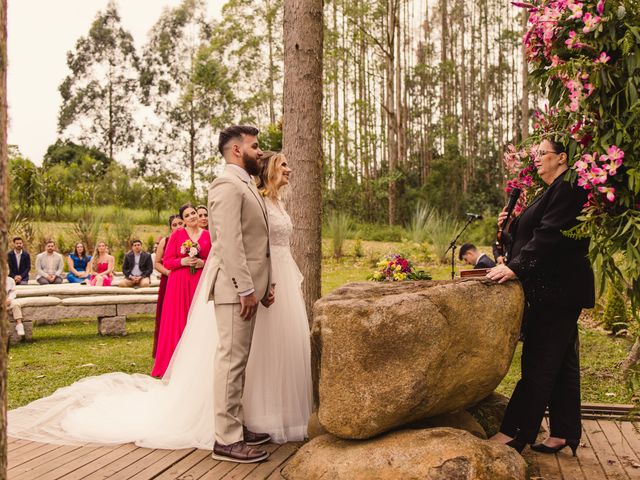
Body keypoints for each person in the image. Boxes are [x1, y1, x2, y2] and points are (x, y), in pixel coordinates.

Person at [487, 138, 595, 455]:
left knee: (539, 363)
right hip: (553, 289)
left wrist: (516, 268)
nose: (535, 159)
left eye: (541, 154)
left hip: (557, 291)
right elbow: (528, 238)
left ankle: (515, 432)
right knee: (562, 364)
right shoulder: (549, 191)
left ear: (562, 158)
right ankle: (564, 432)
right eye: (534, 154)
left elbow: (550, 237)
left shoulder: (569, 187)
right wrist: (507, 230)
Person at [208, 125, 275, 463]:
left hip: (249, 290)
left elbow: (257, 243)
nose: (260, 152)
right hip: (235, 291)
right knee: (231, 362)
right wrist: (246, 288)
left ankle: (236, 425)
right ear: (237, 151)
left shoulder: (246, 184)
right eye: (255, 146)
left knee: (239, 362)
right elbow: (228, 243)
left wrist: (267, 283)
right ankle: (227, 440)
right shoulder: (226, 185)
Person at [243, 151, 313, 444]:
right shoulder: (257, 199)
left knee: (284, 343)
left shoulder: (279, 202)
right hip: (267, 276)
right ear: (270, 169)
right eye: (284, 164)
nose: (290, 169)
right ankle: (255, 414)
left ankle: (282, 411)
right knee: (262, 345)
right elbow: (254, 243)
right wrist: (264, 281)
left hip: (285, 275)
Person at [151, 203, 211, 378]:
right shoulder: (177, 235)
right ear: (183, 220)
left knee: (198, 321)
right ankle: (173, 365)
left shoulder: (208, 235)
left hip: (199, 282)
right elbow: (167, 261)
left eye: (194, 213)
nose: (192, 217)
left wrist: (203, 263)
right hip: (178, 285)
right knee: (178, 322)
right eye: (188, 215)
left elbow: (214, 259)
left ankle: (198, 364)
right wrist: (182, 262)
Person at [152, 214, 183, 358]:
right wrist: (168, 273)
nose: (178, 227)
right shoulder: (166, 240)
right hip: (169, 280)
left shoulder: (190, 240)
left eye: (180, 223)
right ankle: (164, 350)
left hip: (185, 281)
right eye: (174, 225)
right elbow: (157, 262)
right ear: (170, 227)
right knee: (167, 314)